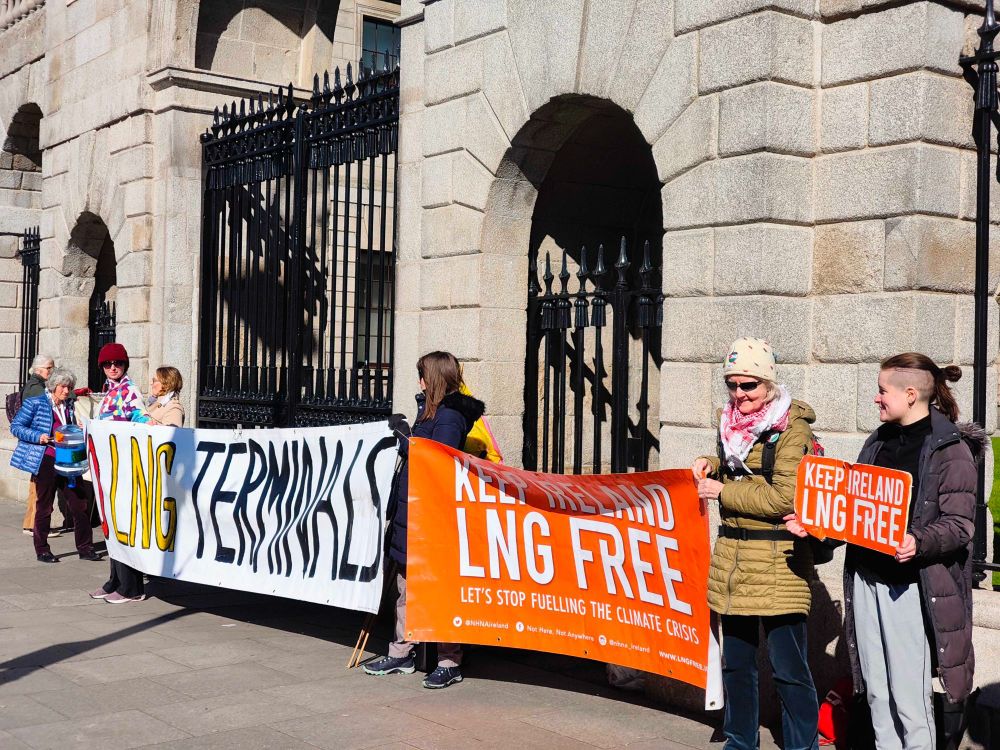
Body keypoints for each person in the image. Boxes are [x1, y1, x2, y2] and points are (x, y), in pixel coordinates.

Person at [787, 354, 979, 749]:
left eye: (881, 390)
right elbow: (855, 513)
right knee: (876, 693)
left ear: (910, 394)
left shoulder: (950, 449)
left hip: (910, 588)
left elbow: (961, 525)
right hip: (866, 581)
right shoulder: (876, 441)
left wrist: (918, 541)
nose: (876, 399)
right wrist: (817, 529)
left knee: (910, 701)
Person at [690, 337, 819, 750]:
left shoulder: (791, 429)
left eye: (750, 385)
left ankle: (802, 745)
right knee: (737, 665)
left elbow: (786, 497)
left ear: (768, 384)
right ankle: (740, 741)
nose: (740, 394)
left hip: (778, 561)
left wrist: (721, 492)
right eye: (733, 384)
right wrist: (710, 463)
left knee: (789, 668)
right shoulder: (728, 423)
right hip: (733, 560)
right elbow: (736, 470)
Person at [364, 351, 485, 689]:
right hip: (413, 512)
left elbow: (433, 461)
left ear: (431, 380)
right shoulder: (430, 410)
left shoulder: (450, 417)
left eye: (421, 376)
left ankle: (450, 659)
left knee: (438, 590)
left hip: (433, 515)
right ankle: (402, 652)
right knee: (407, 588)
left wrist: (404, 438)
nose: (417, 381)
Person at [9, 367, 100, 563]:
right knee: (45, 506)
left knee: (79, 503)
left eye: (70, 387)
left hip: (68, 458)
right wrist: (37, 436)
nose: (67, 391)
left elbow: (66, 428)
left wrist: (78, 427)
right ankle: (42, 549)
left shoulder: (68, 405)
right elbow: (16, 427)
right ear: (53, 386)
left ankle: (85, 548)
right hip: (46, 459)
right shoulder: (36, 403)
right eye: (63, 387)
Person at [88, 343, 148, 604]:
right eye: (107, 364)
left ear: (124, 365)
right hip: (109, 467)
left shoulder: (129, 390)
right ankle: (115, 580)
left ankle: (131, 588)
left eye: (118, 364)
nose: (113, 367)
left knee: (124, 525)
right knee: (111, 525)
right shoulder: (109, 390)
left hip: (124, 467)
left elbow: (142, 421)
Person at [19, 354, 56, 536]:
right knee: (38, 486)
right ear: (39, 369)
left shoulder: (37, 385)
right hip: (37, 444)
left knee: (36, 485)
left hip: (36, 444)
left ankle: (31, 523)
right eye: (49, 368)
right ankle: (34, 525)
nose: (51, 371)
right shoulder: (36, 387)